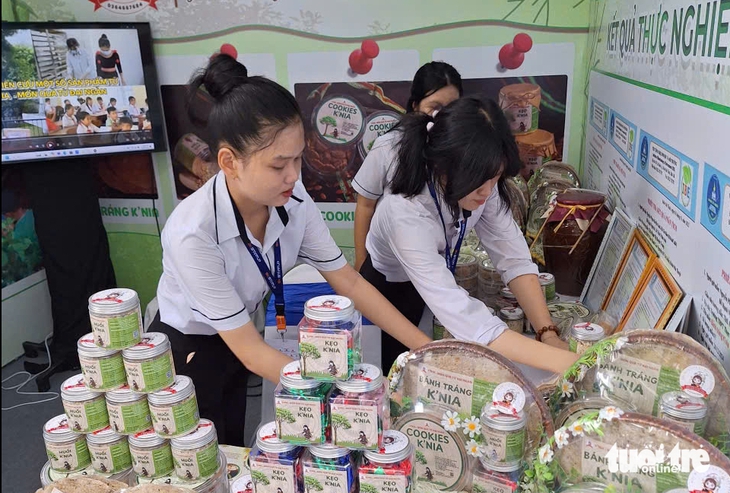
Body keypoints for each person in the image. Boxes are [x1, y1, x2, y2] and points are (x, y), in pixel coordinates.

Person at [148, 54, 430, 446]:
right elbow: (250, 351)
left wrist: (426, 349)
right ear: (229, 162)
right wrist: (349, 398)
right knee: (201, 454)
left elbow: (349, 282)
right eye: (278, 165)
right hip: (188, 348)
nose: (294, 176)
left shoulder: (292, 199)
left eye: (298, 159)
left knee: (235, 445)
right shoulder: (192, 232)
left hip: (240, 335)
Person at [359, 95, 577, 373]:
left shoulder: (482, 182)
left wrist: (547, 333)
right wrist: (571, 364)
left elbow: (512, 257)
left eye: (495, 178)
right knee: (396, 371)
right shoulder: (404, 213)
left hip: (434, 277)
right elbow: (467, 319)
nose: (488, 191)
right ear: (442, 166)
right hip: (389, 290)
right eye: (479, 183)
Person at [353, 62, 463, 270]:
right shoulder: (388, 146)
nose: (443, 116)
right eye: (435, 107)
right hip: (389, 267)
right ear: (415, 106)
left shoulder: (462, 152)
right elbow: (365, 206)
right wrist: (360, 261)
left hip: (437, 264)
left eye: (451, 108)